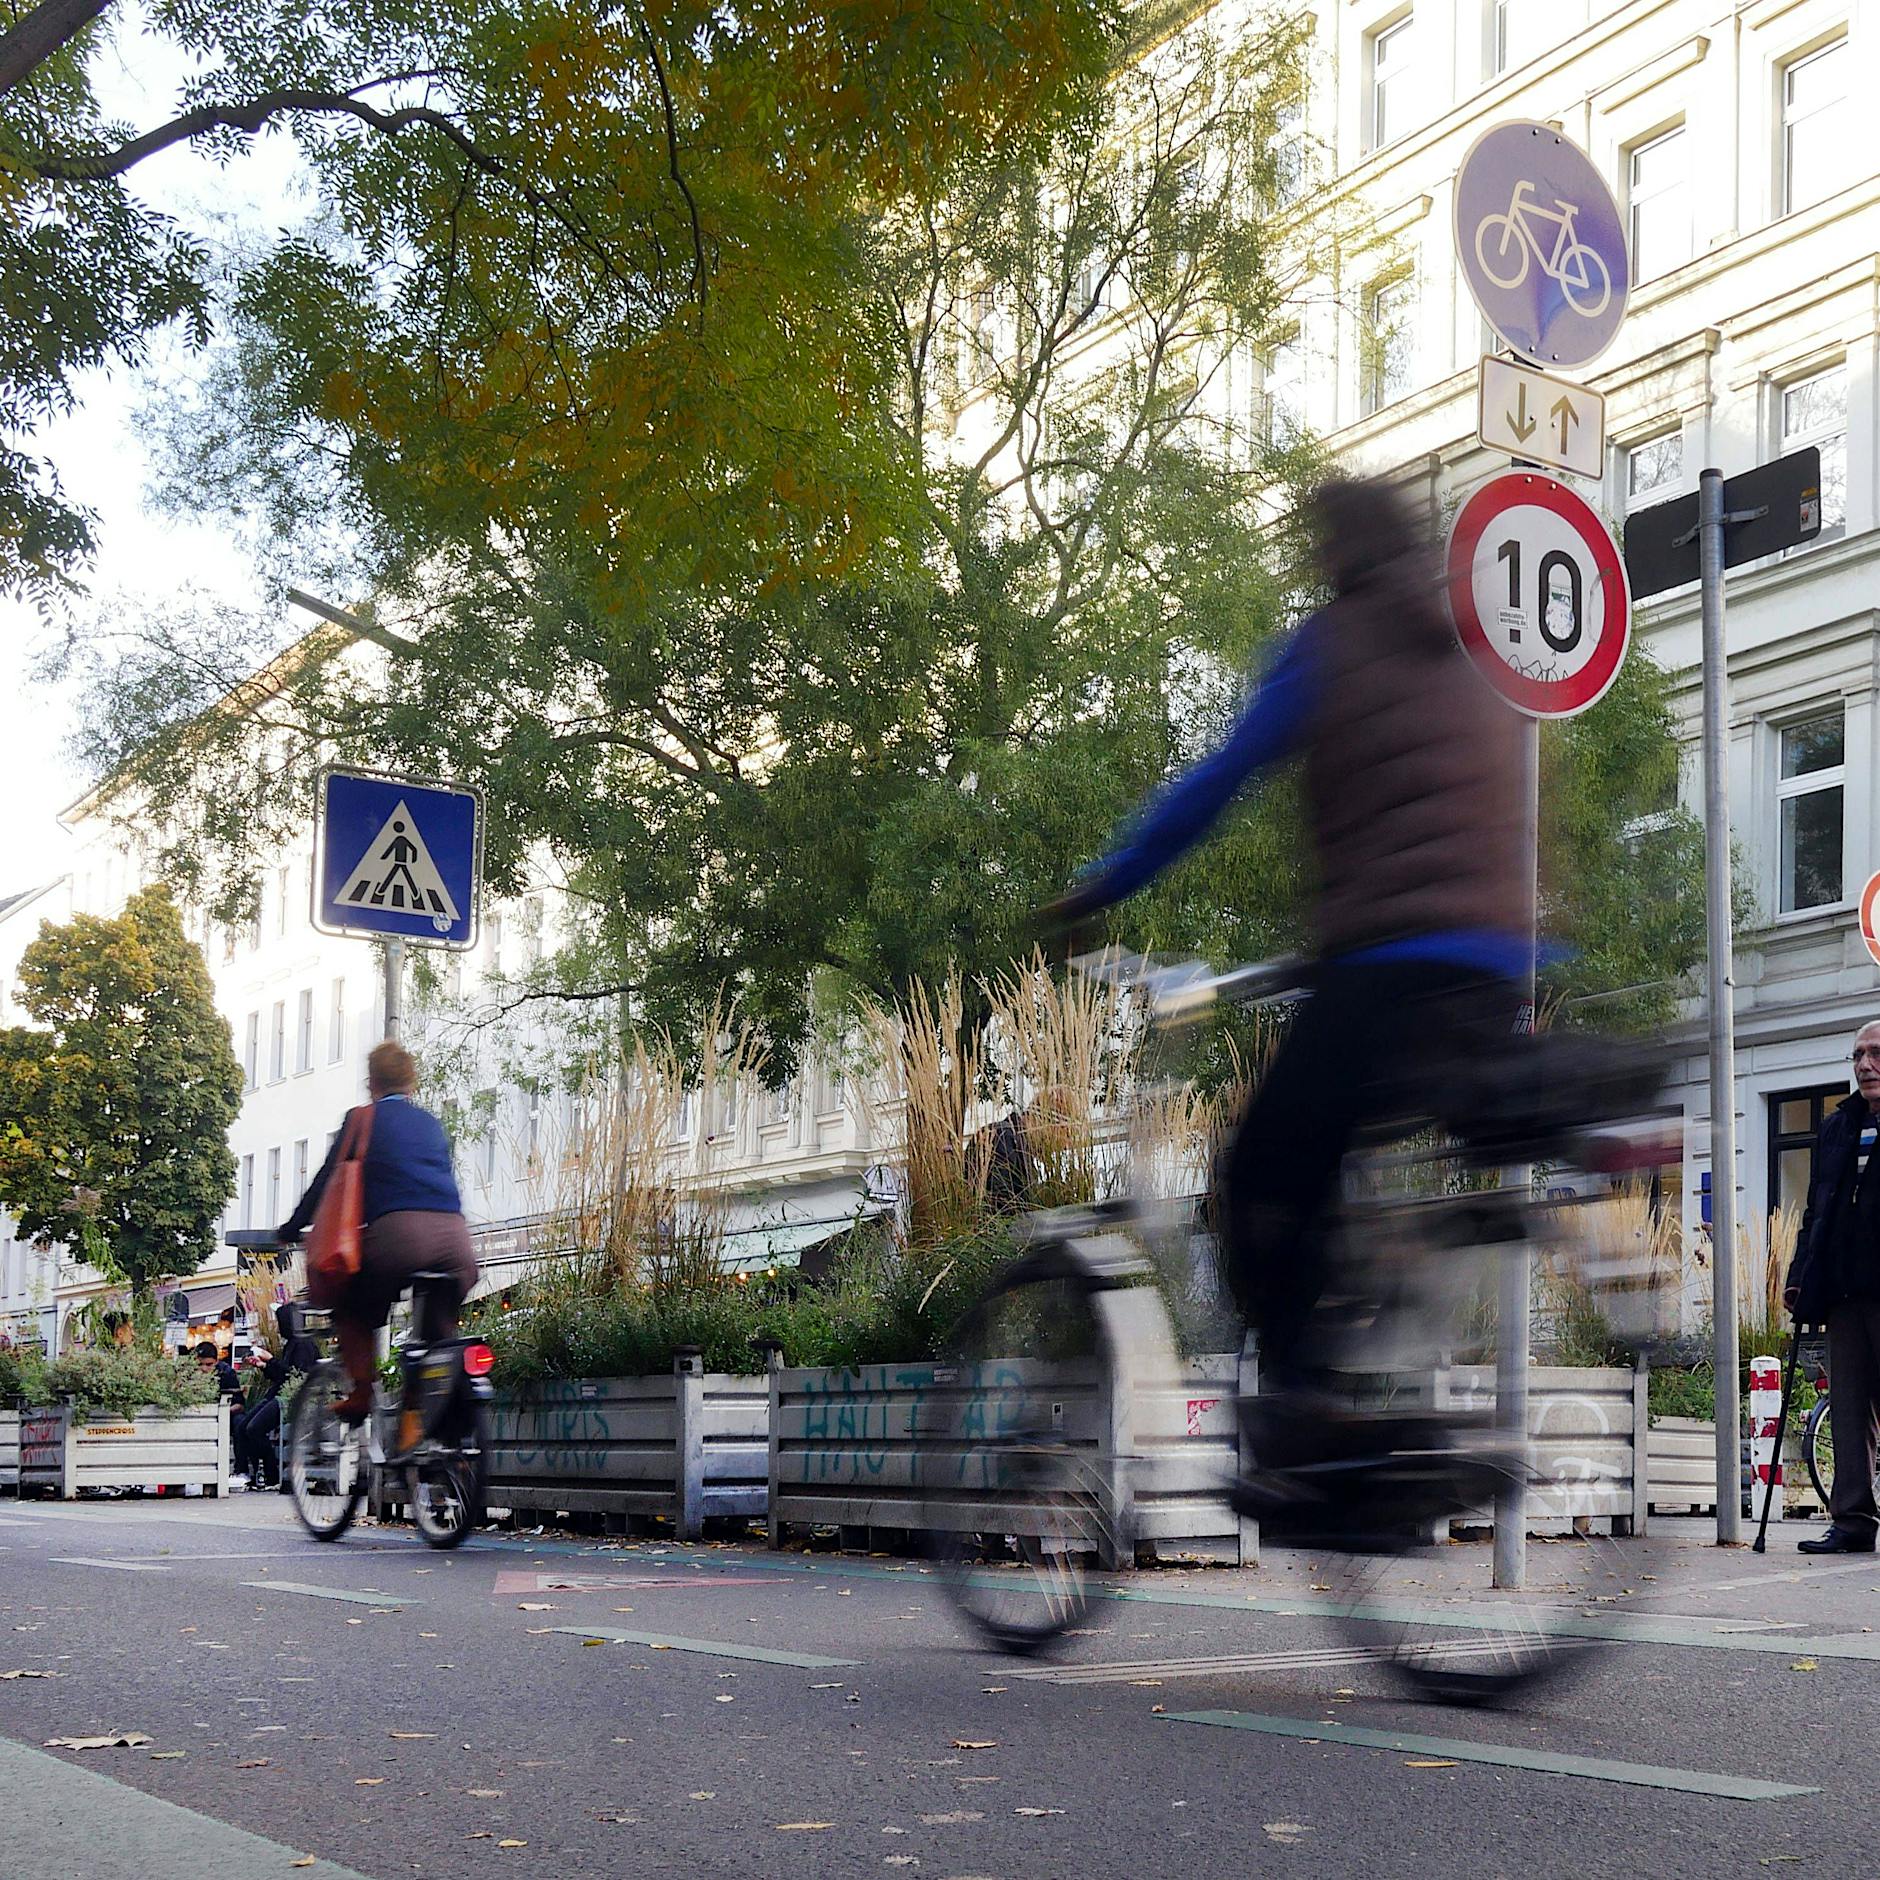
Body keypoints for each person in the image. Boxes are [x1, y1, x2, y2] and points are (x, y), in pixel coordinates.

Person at [1043, 476, 1529, 1416]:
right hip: (1497, 968)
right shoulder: (1467, 658)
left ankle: (1301, 1409)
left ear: (1336, 553)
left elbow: (1220, 778)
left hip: (1392, 957)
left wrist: (1107, 881)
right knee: (1340, 1151)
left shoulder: (1334, 644)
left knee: (1257, 1167)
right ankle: (1369, 1347)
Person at [277, 1041, 478, 1446]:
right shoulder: (432, 1124)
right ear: (412, 1083)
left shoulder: (361, 1120)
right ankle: (436, 1434)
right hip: (457, 1244)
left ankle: (362, 1394)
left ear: (371, 1083)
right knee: (439, 1335)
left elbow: (326, 1182)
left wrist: (291, 1228)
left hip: (401, 1238)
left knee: (352, 1308)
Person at [1784, 1020, 1880, 1554]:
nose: (1865, 1065)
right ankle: (1852, 1521)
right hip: (1843, 1290)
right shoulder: (1839, 1125)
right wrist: (1800, 1277)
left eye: (1876, 1054)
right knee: (1846, 1410)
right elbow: (1815, 1211)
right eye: (1858, 1056)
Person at [232, 1305, 321, 1488]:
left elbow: (296, 1375)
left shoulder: (303, 1345)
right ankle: (248, 1472)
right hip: (279, 1394)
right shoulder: (293, 1344)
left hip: (288, 1398)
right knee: (243, 1427)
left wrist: (270, 1360)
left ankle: (270, 1474)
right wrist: (265, 1365)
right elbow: (284, 1374)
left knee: (254, 1428)